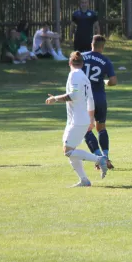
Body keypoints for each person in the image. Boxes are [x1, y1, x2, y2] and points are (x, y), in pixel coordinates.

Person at [45, 51, 109, 187]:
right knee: (71, 150)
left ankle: (99, 159)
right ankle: (84, 180)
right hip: (80, 119)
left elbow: (73, 95)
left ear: (69, 63)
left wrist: (55, 98)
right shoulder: (85, 77)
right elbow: (90, 100)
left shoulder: (74, 75)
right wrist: (91, 119)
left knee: (68, 151)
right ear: (82, 64)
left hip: (78, 120)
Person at [81, 35, 117, 170]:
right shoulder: (105, 61)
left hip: (84, 99)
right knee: (101, 128)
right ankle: (106, 156)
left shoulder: (81, 57)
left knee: (86, 128)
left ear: (92, 44)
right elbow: (113, 81)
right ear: (103, 47)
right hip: (100, 98)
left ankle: (98, 157)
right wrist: (104, 82)